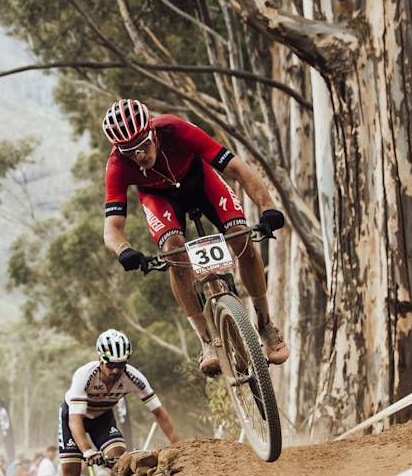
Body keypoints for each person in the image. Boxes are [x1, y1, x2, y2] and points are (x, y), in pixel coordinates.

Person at [102, 99, 290, 375]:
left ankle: (266, 325)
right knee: (174, 250)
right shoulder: (117, 165)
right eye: (130, 151)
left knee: (240, 236)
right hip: (159, 198)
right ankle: (206, 340)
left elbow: (238, 169)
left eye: (143, 145)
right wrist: (124, 250)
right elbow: (111, 228)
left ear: (152, 132)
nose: (140, 155)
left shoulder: (175, 129)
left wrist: (268, 207)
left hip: (200, 181)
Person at [57, 328, 180, 476]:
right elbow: (75, 421)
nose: (115, 370)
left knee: (119, 458)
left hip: (102, 418)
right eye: (111, 364)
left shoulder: (134, 378)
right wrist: (87, 451)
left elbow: (159, 413)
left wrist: (178, 446)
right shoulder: (85, 375)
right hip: (73, 417)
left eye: (121, 365)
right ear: (100, 359)